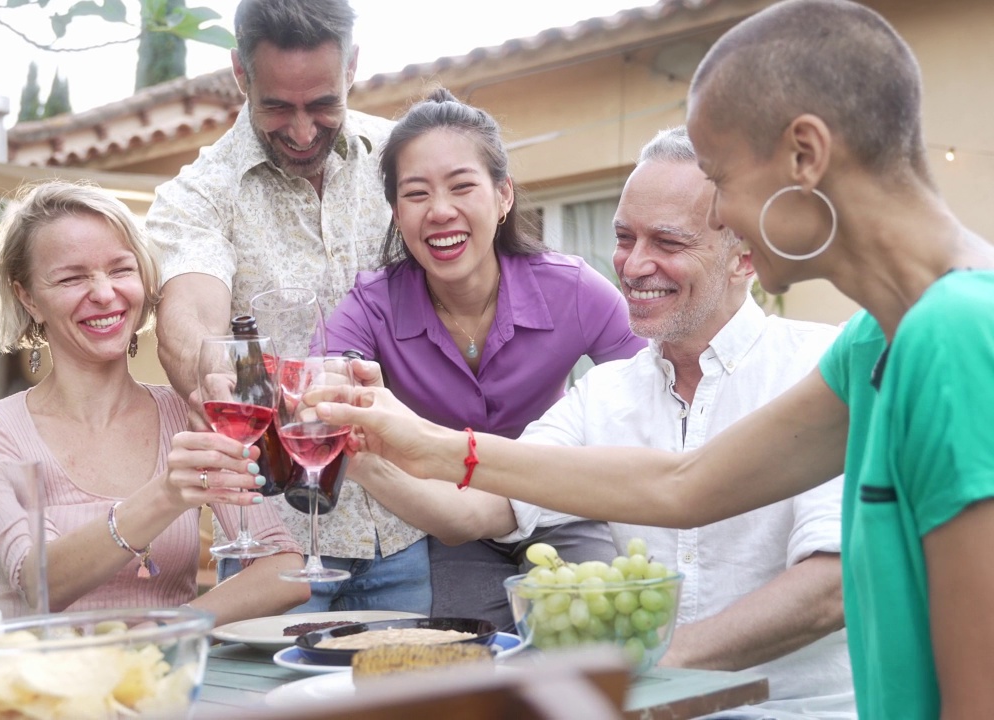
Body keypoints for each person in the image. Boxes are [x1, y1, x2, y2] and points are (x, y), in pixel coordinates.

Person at [318, 1, 994, 717]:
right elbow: (687, 483)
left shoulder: (955, 334)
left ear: (806, 156)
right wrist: (416, 442)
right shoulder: (878, 339)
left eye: (722, 177)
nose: (724, 213)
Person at [146, 0, 430, 613]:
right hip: (272, 549)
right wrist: (211, 369)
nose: (303, 132)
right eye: (278, 107)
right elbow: (188, 314)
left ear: (352, 67)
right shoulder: (197, 195)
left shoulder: (405, 160)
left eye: (323, 105)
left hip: (410, 527)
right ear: (241, 76)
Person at [324, 88, 645, 630]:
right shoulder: (370, 305)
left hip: (559, 504)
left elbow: (651, 389)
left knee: (596, 628)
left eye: (462, 186)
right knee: (466, 649)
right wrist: (349, 387)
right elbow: (329, 377)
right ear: (397, 213)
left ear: (503, 197)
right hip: (454, 521)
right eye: (416, 193)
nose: (440, 211)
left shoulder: (574, 290)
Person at [0, 181, 309, 622]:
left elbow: (285, 569)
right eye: (71, 277)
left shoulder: (188, 415)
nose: (103, 293)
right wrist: (167, 494)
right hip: (41, 680)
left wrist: (170, 630)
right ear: (28, 298)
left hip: (163, 676)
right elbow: (39, 585)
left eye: (121, 269)